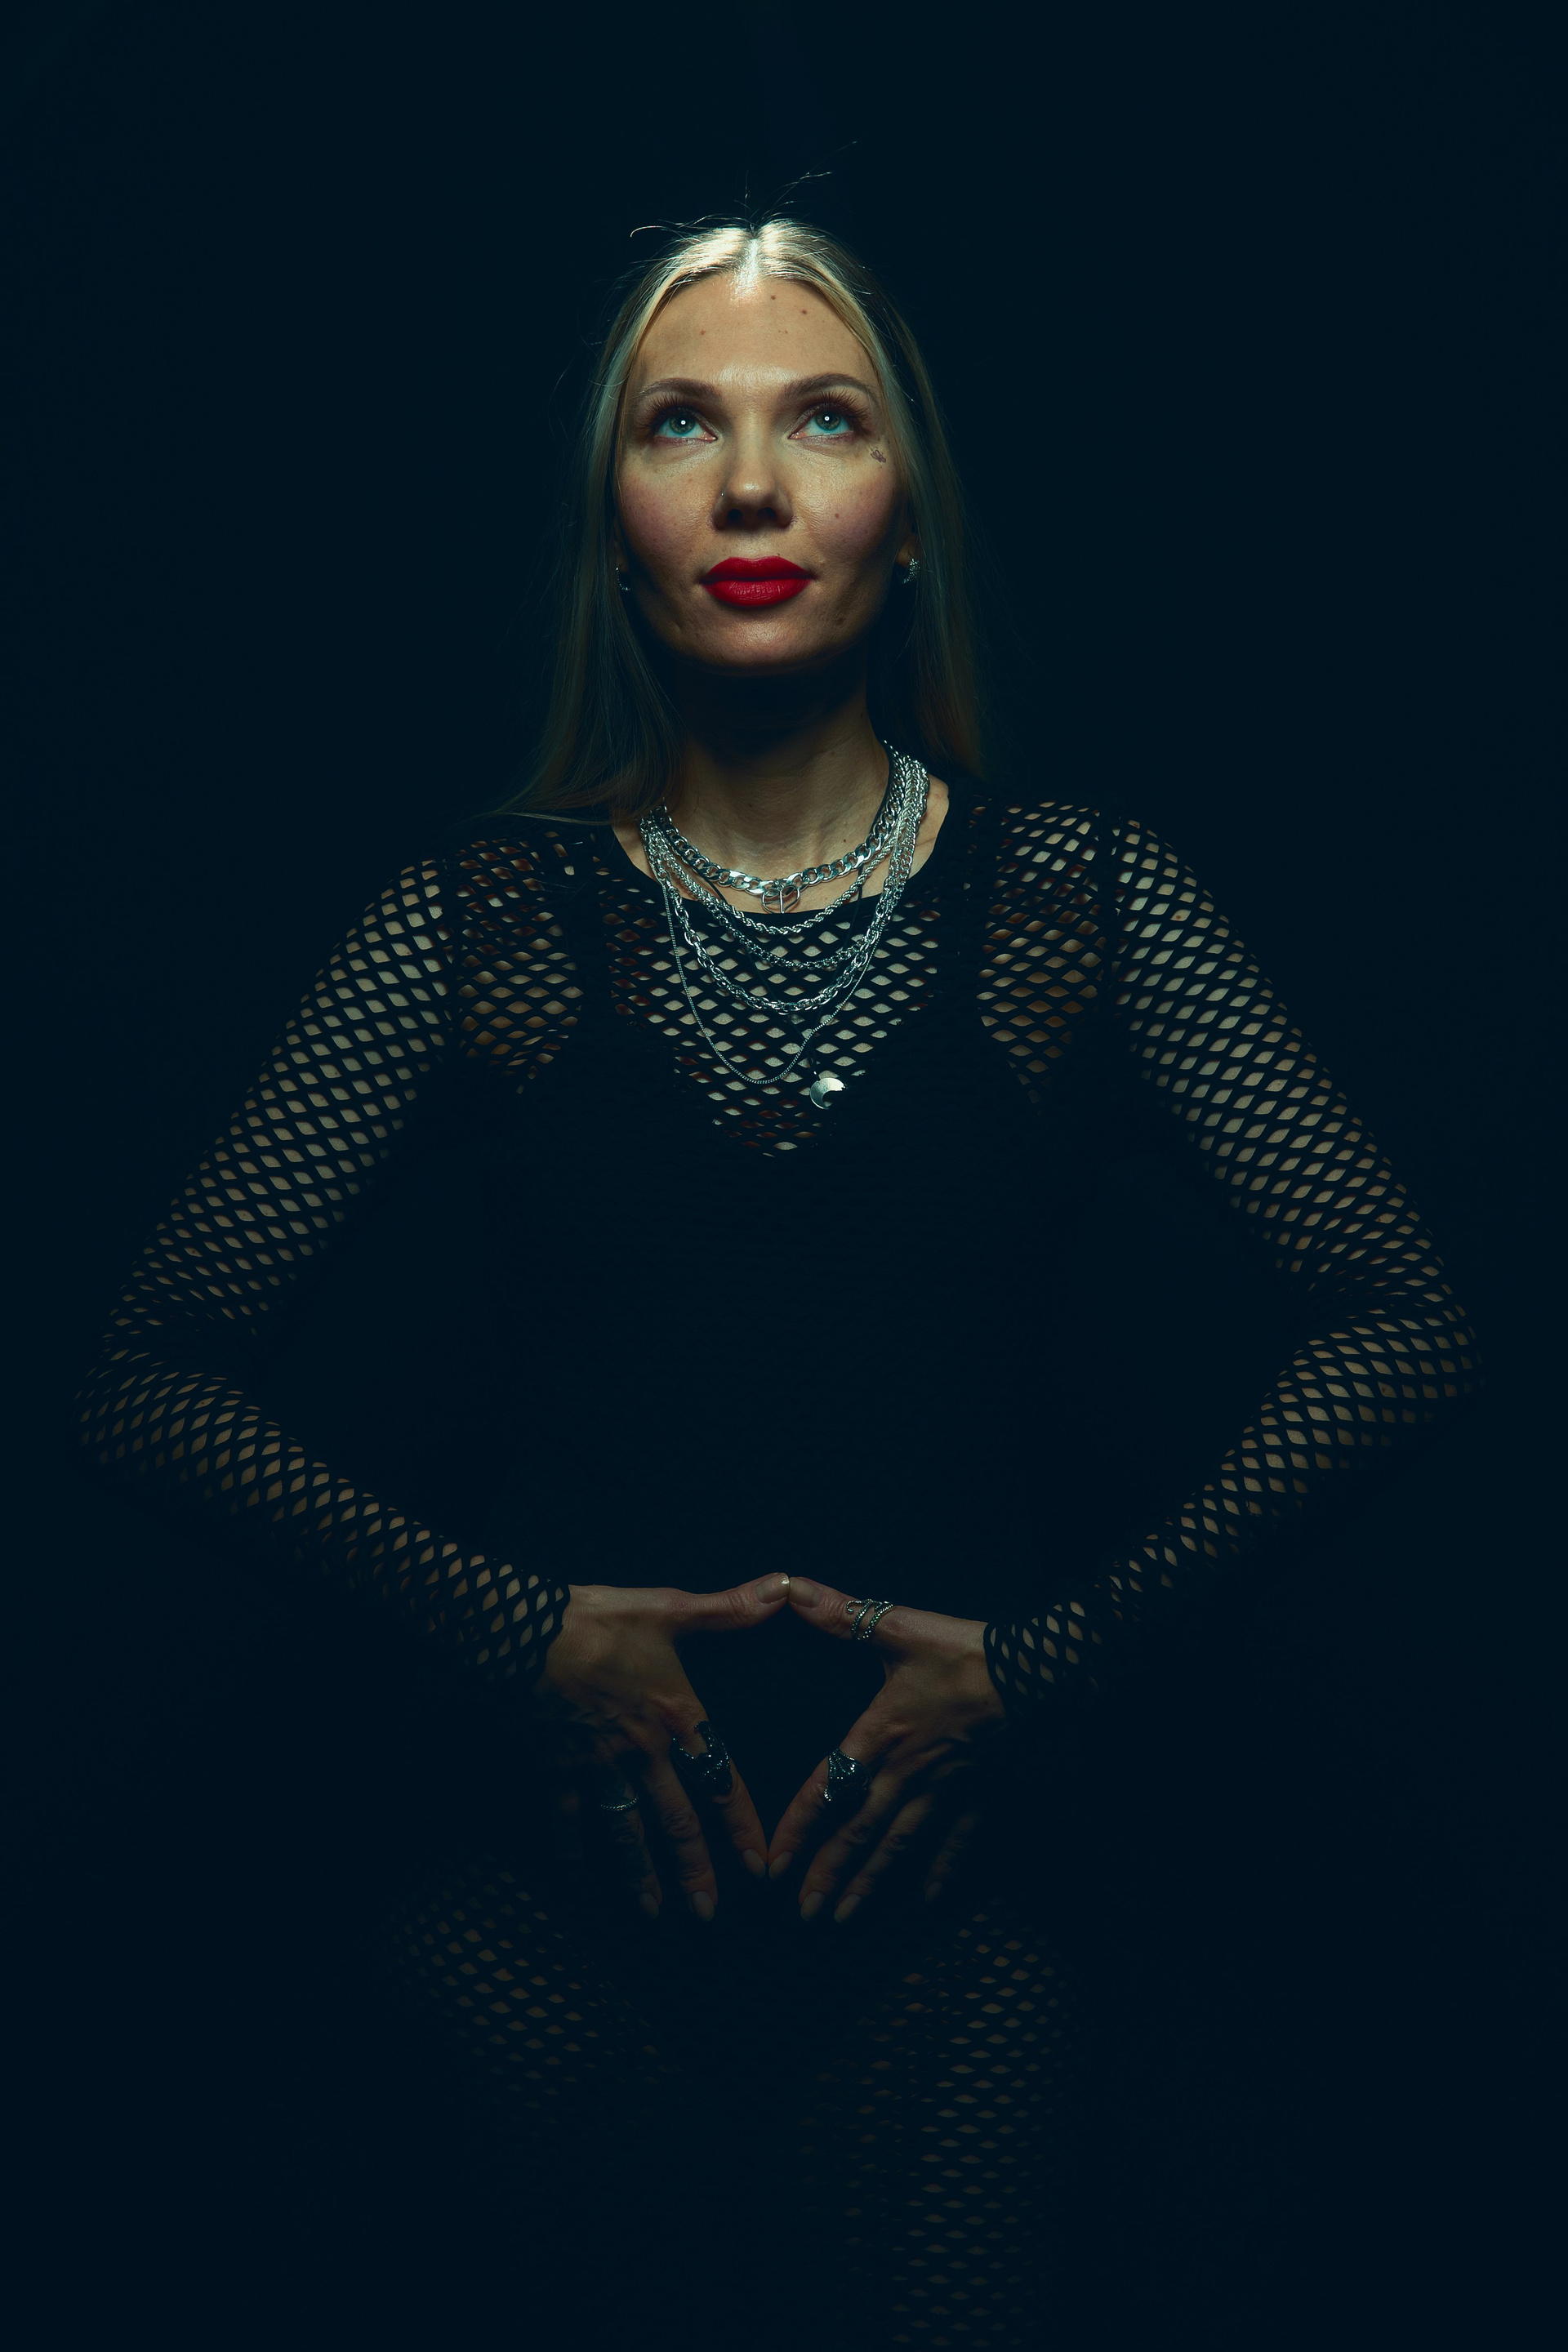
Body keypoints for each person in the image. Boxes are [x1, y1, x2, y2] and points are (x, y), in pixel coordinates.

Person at [75, 219, 1479, 2347]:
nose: (750, 487)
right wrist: (519, 1632)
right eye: (681, 427)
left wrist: (1054, 1665)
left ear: (909, 520)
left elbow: (1404, 1326)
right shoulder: (483, 927)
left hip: (960, 1917)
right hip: (540, 1912)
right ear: (611, 522)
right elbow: (146, 1380)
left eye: (823, 420)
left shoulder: (1075, 907)